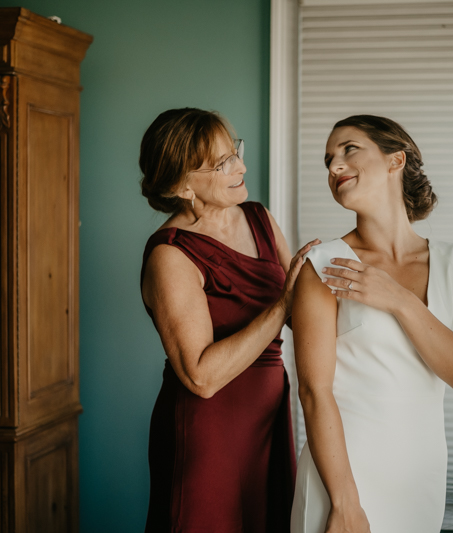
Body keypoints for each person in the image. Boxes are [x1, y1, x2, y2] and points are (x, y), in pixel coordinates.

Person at [290, 115, 453, 532]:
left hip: (419, 482)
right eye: (327, 159)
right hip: (341, 483)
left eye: (348, 149)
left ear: (395, 159)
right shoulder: (323, 266)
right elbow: (313, 391)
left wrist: (398, 299)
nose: (333, 167)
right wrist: (344, 504)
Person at [138, 107, 318, 532]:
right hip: (209, 430)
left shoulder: (259, 217)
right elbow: (201, 377)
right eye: (222, 164)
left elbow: (299, 311)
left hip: (269, 419)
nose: (241, 166)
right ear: (183, 184)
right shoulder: (170, 254)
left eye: (234, 152)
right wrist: (282, 305)